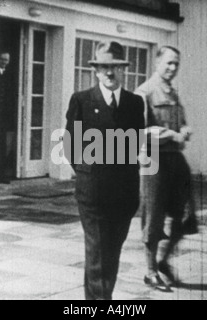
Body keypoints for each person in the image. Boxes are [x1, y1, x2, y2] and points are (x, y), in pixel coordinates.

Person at [64, 41, 145, 300]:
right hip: (94, 195)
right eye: (104, 67)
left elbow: (137, 144)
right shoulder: (82, 100)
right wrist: (89, 173)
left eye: (115, 67)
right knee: (98, 254)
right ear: (96, 70)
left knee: (110, 254)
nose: (109, 73)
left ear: (123, 70)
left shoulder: (135, 103)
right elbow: (70, 146)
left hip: (124, 196)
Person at [135, 46, 194, 292]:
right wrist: (171, 134)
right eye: (169, 63)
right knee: (154, 218)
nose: (173, 68)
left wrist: (185, 131)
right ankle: (150, 272)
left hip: (175, 160)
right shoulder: (144, 93)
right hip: (154, 161)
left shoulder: (173, 93)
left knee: (186, 215)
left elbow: (182, 123)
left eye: (176, 64)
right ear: (157, 62)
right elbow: (138, 131)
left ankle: (164, 261)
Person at [0, 52, 17, 185]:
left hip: (4, 117)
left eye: (6, 60)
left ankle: (2, 174)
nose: (4, 62)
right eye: (2, 59)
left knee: (4, 146)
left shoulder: (10, 75)